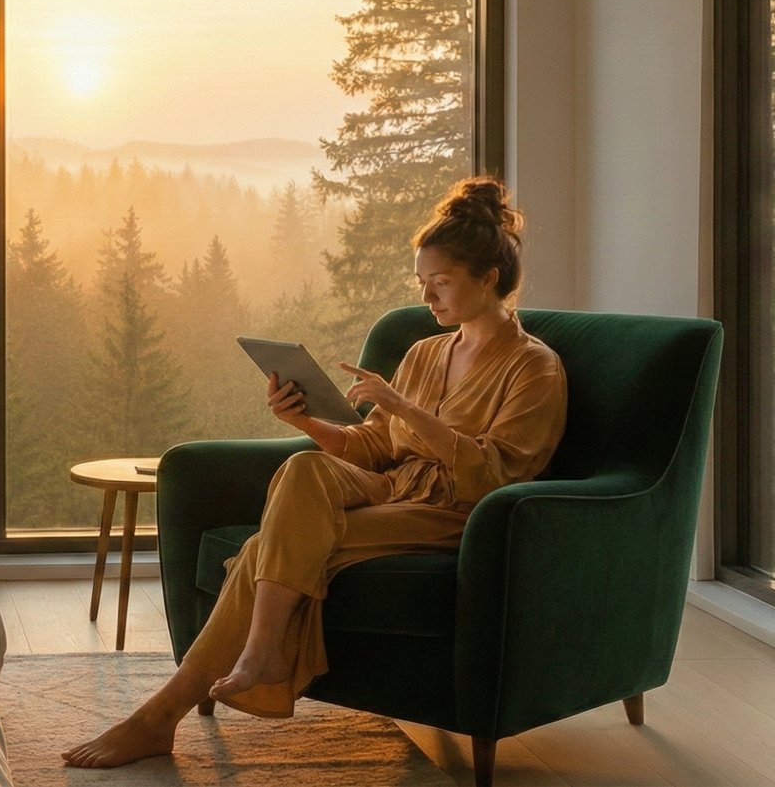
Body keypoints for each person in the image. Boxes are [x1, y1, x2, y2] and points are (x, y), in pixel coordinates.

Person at [62, 176, 567, 769]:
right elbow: (373, 448)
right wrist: (302, 419)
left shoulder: (534, 368)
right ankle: (252, 659)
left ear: (488, 278)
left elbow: (496, 475)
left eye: (442, 282)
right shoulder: (427, 353)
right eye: (421, 283)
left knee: (262, 550)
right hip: (392, 488)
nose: (428, 297)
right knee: (305, 467)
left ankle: (169, 710)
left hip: (455, 512)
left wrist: (404, 408)